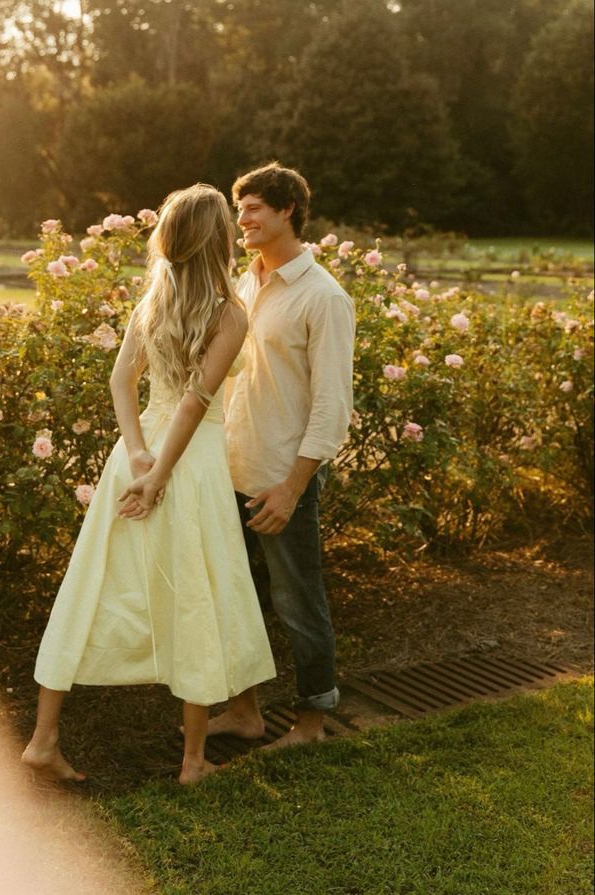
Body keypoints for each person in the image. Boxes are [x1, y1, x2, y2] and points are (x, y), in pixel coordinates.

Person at [22, 184, 276, 785]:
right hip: (190, 464)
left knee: (93, 583)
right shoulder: (229, 313)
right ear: (217, 241)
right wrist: (159, 471)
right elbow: (195, 403)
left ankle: (42, 740)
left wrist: (137, 454)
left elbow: (120, 383)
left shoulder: (152, 301)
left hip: (136, 459)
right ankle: (192, 762)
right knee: (197, 590)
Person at [207, 162, 356, 748]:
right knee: (236, 600)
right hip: (228, 470)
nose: (240, 219)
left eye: (252, 209)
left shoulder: (325, 298)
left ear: (287, 210)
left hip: (279, 480)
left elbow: (331, 407)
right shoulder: (245, 283)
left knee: (298, 603)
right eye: (238, 208)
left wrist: (292, 488)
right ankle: (245, 712)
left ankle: (313, 722)